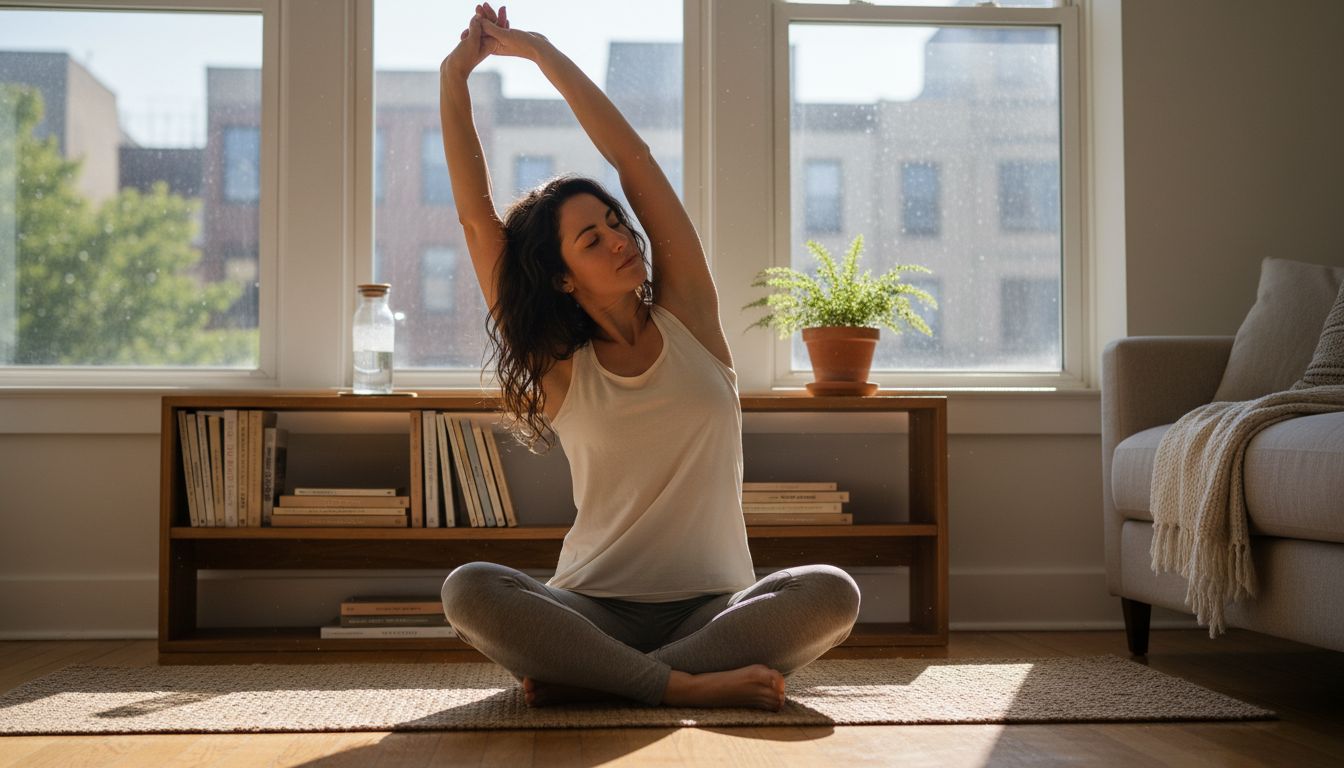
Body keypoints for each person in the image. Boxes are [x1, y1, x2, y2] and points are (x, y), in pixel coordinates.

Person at [437, 3, 860, 711]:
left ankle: (603, 676)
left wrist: (540, 53)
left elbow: (633, 160)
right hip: (589, 605)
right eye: (591, 241)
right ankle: (680, 684)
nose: (619, 239)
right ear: (562, 278)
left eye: (613, 223)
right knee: (469, 588)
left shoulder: (689, 312)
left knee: (829, 592)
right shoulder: (558, 364)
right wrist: (455, 76)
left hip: (714, 609)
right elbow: (478, 218)